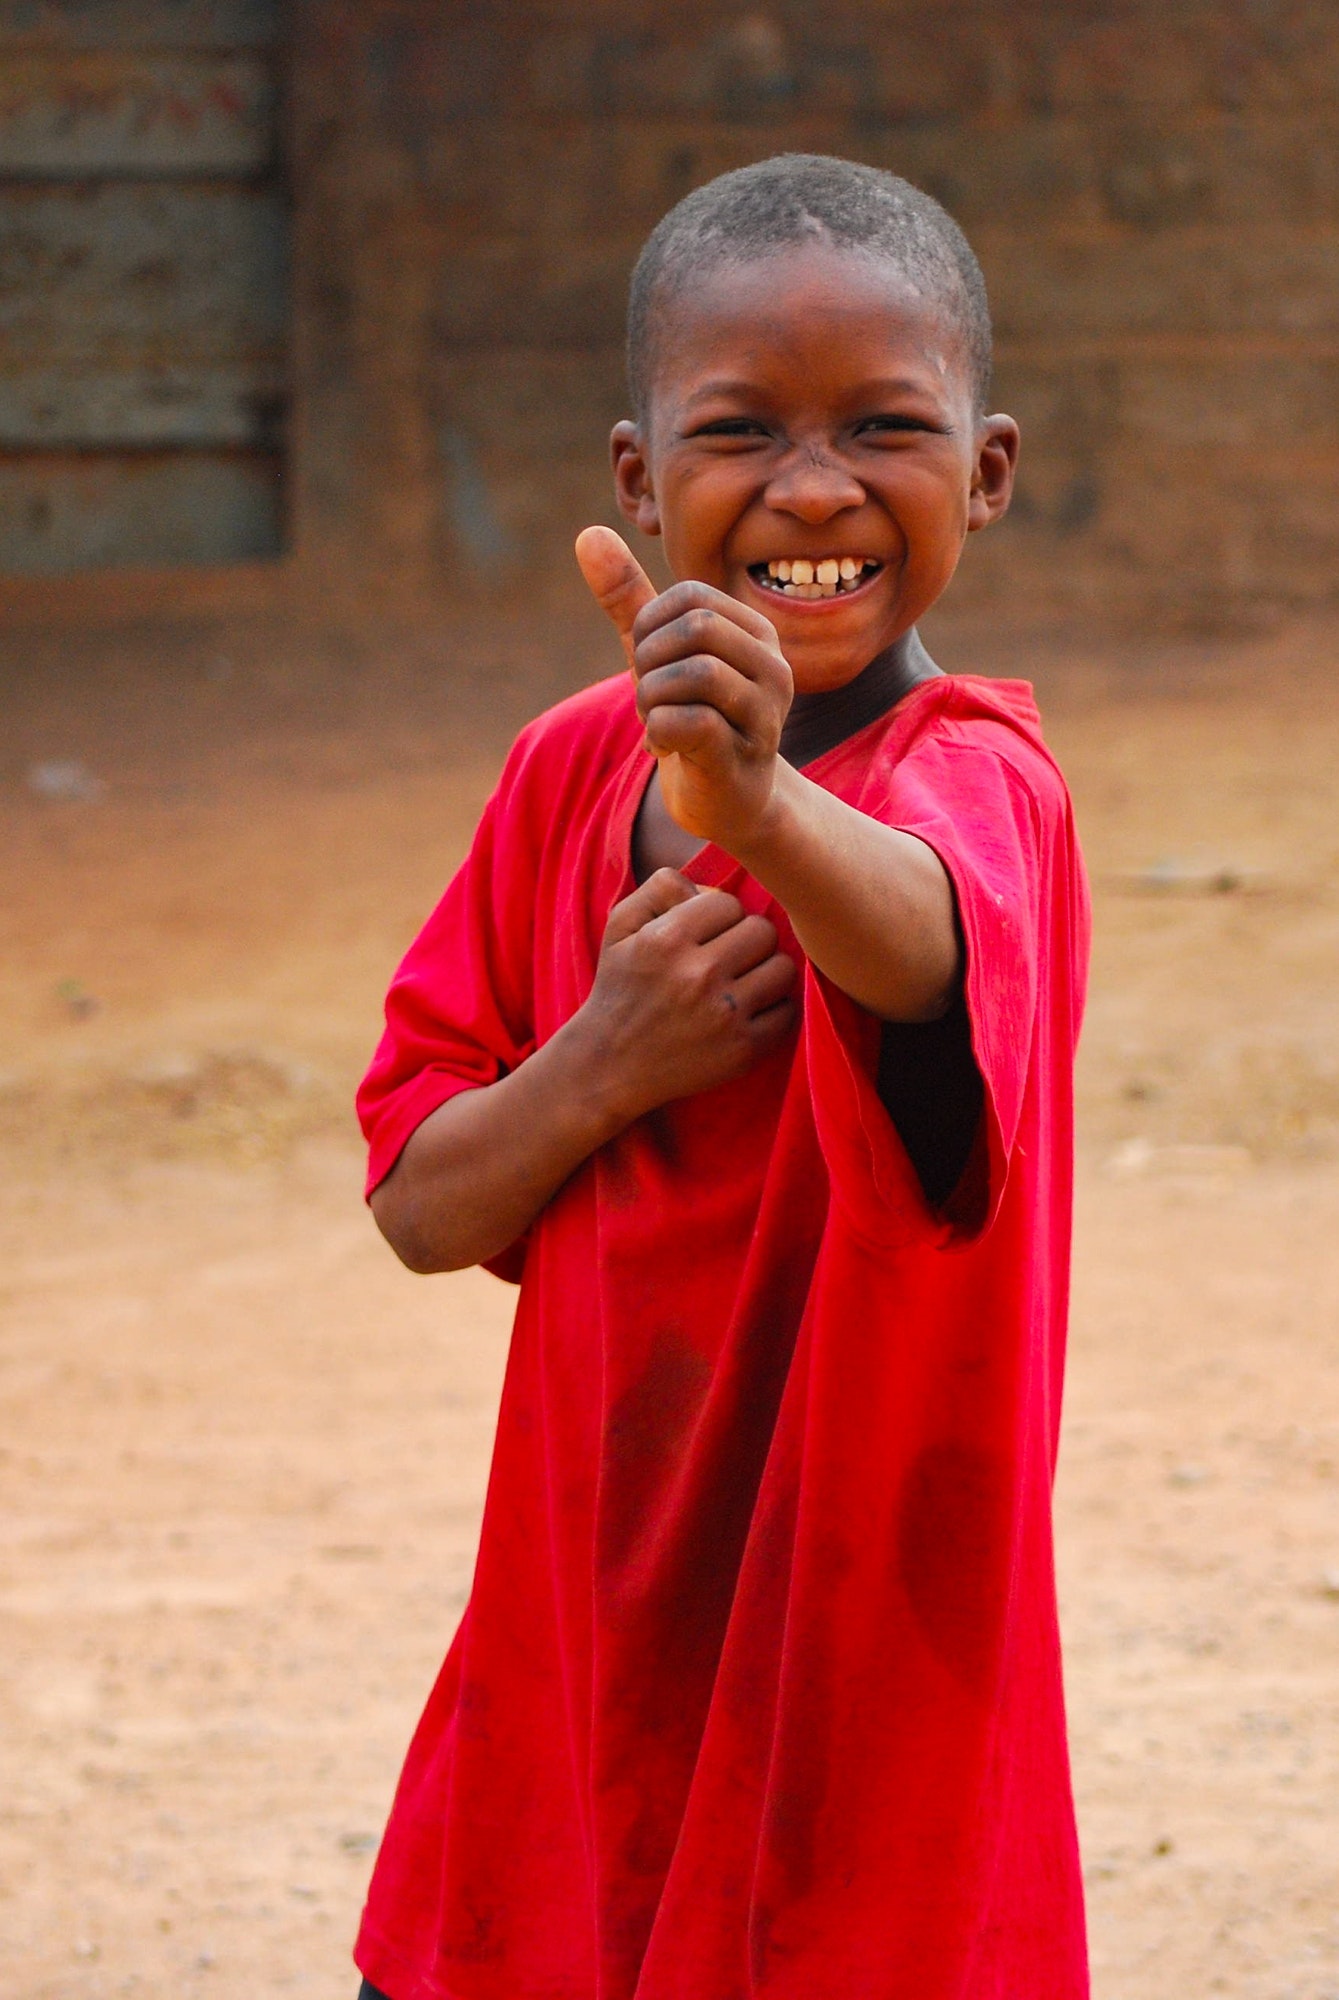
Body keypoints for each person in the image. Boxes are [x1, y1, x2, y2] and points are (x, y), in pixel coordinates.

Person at [353, 153, 1091, 2000]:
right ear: (640, 479)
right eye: (741, 430)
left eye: (887, 429)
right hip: (570, 1671)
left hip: (856, 1694)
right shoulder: (561, 776)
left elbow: (926, 942)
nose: (815, 487)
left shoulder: (983, 785)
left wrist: (756, 803)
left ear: (987, 474)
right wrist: (604, 1061)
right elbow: (423, 1201)